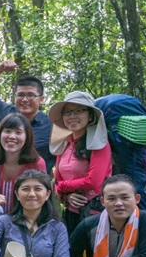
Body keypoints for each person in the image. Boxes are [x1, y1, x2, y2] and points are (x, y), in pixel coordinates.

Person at [48, 92, 113, 233]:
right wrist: (67, 196)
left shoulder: (99, 144)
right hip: (71, 213)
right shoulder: (65, 144)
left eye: (78, 110)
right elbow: (57, 179)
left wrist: (62, 187)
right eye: (67, 112)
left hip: (95, 215)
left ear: (90, 116)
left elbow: (94, 181)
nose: (72, 116)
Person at [0, 60, 55, 172]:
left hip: (35, 183)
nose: (25, 99)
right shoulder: (6, 112)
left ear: (41, 99)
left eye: (31, 95)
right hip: (2, 180)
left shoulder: (52, 124)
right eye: (20, 95)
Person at [0, 113, 47, 212]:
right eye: (7, 131)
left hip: (24, 221)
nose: (12, 136)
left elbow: (41, 199)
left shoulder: (37, 163)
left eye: (18, 132)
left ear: (27, 137)